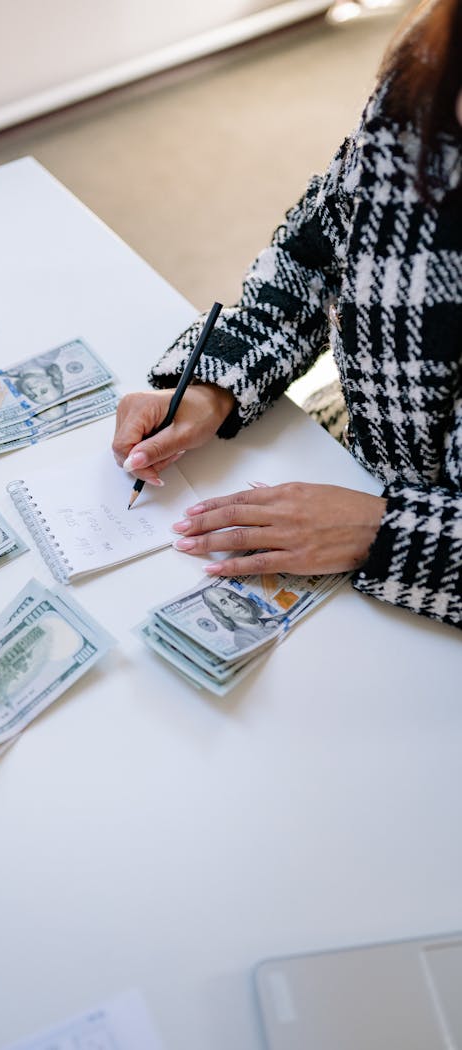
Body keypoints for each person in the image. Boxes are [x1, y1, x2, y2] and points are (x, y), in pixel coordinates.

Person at [113, 0, 462, 630]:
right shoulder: (429, 68)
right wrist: (215, 383)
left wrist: (387, 533)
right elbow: (312, 255)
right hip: (362, 452)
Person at [202, 585, 283, 648]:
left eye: (233, 597)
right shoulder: (243, 640)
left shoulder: (277, 619)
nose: (236, 604)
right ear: (222, 613)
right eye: (224, 603)